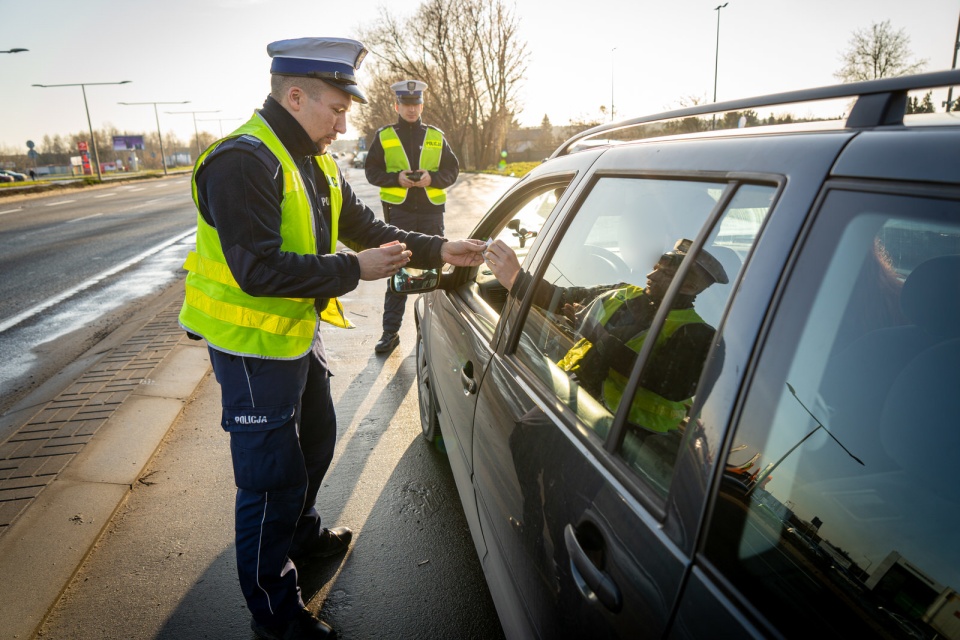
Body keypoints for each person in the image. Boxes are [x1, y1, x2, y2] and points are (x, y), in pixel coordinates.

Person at [177, 37, 484, 640]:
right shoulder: (243, 160)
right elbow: (257, 269)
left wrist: (437, 247)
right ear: (295, 96)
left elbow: (363, 225)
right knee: (271, 479)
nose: (345, 125)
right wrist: (354, 270)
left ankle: (306, 536)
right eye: (337, 110)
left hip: (293, 336)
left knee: (316, 442)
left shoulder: (312, 157)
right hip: (249, 349)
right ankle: (276, 613)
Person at [484, 237, 727, 433]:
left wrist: (597, 334)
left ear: (689, 286)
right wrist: (516, 277)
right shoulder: (622, 293)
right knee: (525, 435)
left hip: (629, 435)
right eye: (654, 268)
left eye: (663, 273)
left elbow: (670, 384)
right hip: (577, 397)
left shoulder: (700, 334)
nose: (650, 276)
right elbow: (559, 297)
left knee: (527, 437)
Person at [364, 79, 460, 354]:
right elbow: (372, 172)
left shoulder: (435, 135)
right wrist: (397, 179)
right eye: (406, 104)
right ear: (397, 105)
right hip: (401, 213)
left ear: (422, 105)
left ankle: (440, 336)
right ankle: (390, 333)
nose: (411, 108)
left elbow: (452, 171)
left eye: (416, 104)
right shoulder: (384, 136)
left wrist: (433, 178)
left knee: (434, 270)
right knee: (398, 270)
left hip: (431, 213)